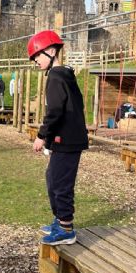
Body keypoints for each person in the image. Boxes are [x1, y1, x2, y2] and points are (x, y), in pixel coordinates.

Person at [27, 30, 88, 246]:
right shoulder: (64, 74)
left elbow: (54, 111)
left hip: (67, 139)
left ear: (52, 51)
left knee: (60, 183)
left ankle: (65, 228)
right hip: (66, 138)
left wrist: (42, 136)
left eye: (37, 55)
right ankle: (59, 219)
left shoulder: (56, 76)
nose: (35, 60)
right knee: (52, 178)